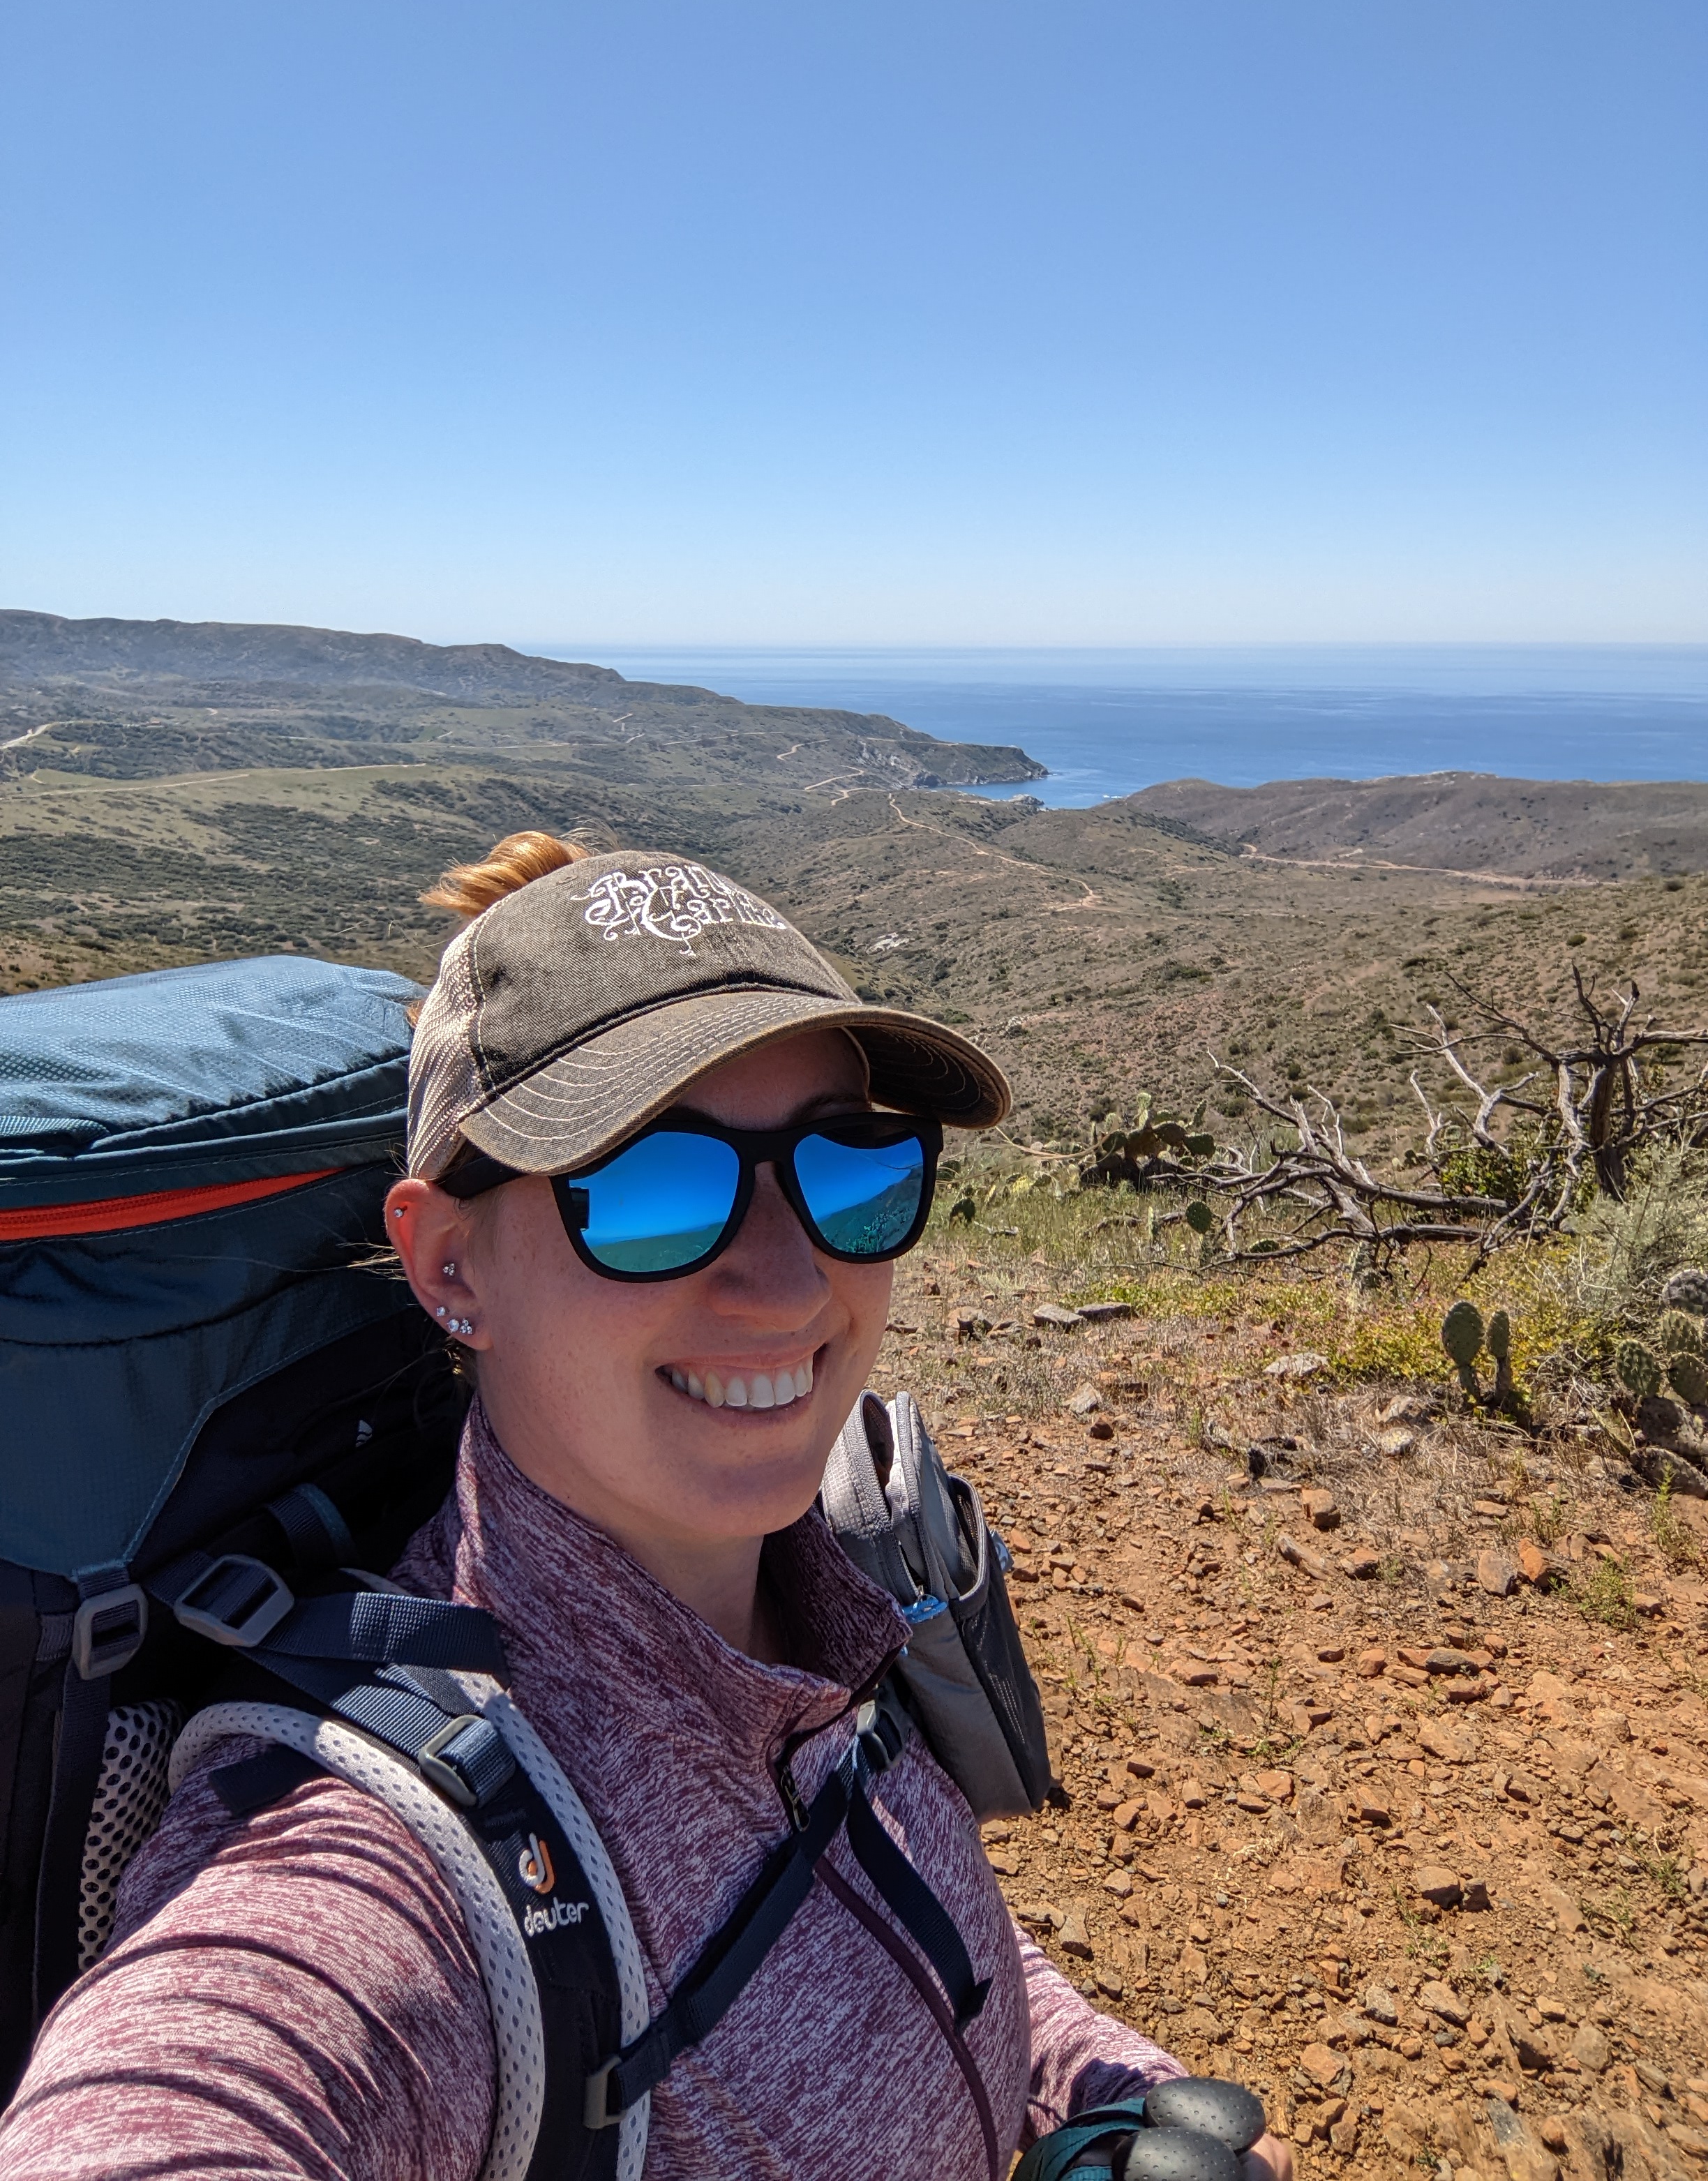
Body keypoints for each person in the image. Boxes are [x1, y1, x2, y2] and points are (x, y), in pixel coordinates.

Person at [0, 834, 1292, 2181]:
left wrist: (1099, 2090)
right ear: (451, 1263)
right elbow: (185, 2095)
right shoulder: (385, 1867)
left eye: (850, 1167)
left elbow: (887, 1880)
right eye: (653, 1190)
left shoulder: (822, 1580)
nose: (789, 1282)